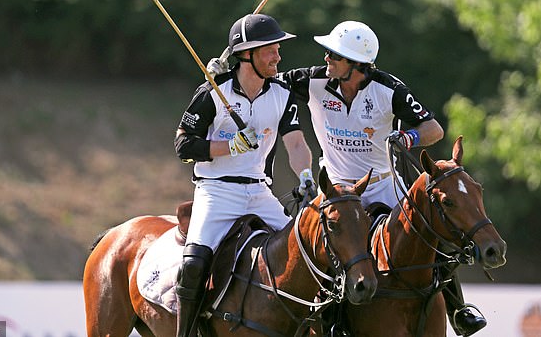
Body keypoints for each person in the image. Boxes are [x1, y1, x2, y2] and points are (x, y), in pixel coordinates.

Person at [207, 20, 485, 336]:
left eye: (334, 56)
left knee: (428, 235)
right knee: (316, 250)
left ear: (356, 65)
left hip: (382, 185)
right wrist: (225, 75)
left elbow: (433, 129)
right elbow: (261, 77)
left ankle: (458, 309)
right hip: (335, 189)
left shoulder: (388, 89)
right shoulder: (313, 79)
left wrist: (406, 138)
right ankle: (325, 321)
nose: (326, 60)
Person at [173, 13, 314, 337]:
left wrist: (306, 174)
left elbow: (295, 143)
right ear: (246, 54)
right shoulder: (212, 92)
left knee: (307, 249)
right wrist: (229, 146)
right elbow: (183, 144)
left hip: (259, 192)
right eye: (270, 49)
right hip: (216, 192)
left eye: (278, 48)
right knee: (193, 265)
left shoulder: (282, 94)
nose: (278, 56)